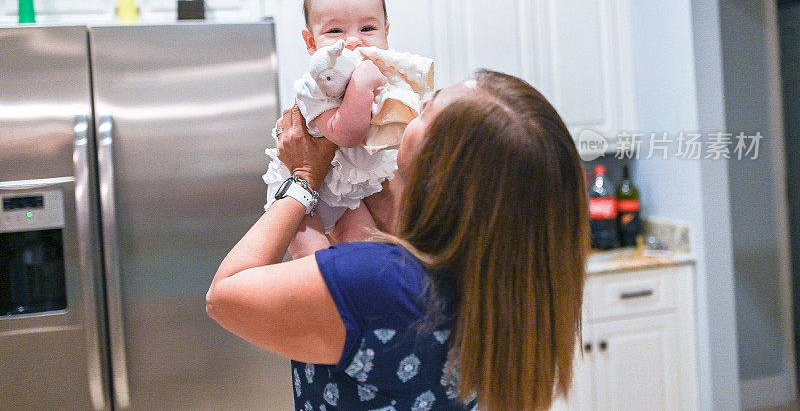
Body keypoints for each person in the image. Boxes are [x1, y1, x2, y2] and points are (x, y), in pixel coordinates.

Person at [207, 69, 590, 410]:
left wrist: (304, 179)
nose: (419, 102)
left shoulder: (386, 282)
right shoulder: (499, 279)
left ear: (442, 170)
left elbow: (225, 296)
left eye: (427, 110)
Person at [262, 0, 433, 257]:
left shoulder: (385, 77)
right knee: (315, 263)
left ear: (386, 33)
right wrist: (362, 85)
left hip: (350, 193)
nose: (353, 41)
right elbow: (347, 134)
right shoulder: (314, 86)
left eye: (367, 29)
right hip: (304, 200)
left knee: (367, 254)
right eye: (335, 31)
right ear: (310, 42)